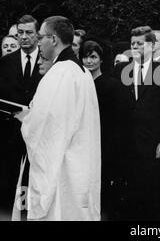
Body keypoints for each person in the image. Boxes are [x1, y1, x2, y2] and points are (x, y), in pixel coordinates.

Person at [16, 16, 101, 220]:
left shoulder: (58, 75)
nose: (38, 42)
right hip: (80, 162)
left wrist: (27, 118)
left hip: (63, 167)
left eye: (40, 37)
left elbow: (46, 128)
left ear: (53, 40)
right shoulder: (81, 72)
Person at [112, 25, 160, 220]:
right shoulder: (121, 69)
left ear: (152, 45)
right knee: (129, 194)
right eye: (133, 44)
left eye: (140, 44)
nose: (136, 47)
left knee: (153, 192)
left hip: (153, 142)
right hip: (127, 142)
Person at [0, 15, 41, 219]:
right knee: (8, 183)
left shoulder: (48, 64)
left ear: (37, 34)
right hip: (10, 135)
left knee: (33, 184)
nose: (24, 37)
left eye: (29, 33)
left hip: (37, 136)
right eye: (20, 33)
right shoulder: (5, 63)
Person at [81, 40, 132, 220]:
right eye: (85, 57)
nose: (89, 61)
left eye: (93, 57)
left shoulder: (114, 86)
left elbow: (120, 123)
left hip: (107, 148)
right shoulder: (79, 85)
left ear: (101, 59)